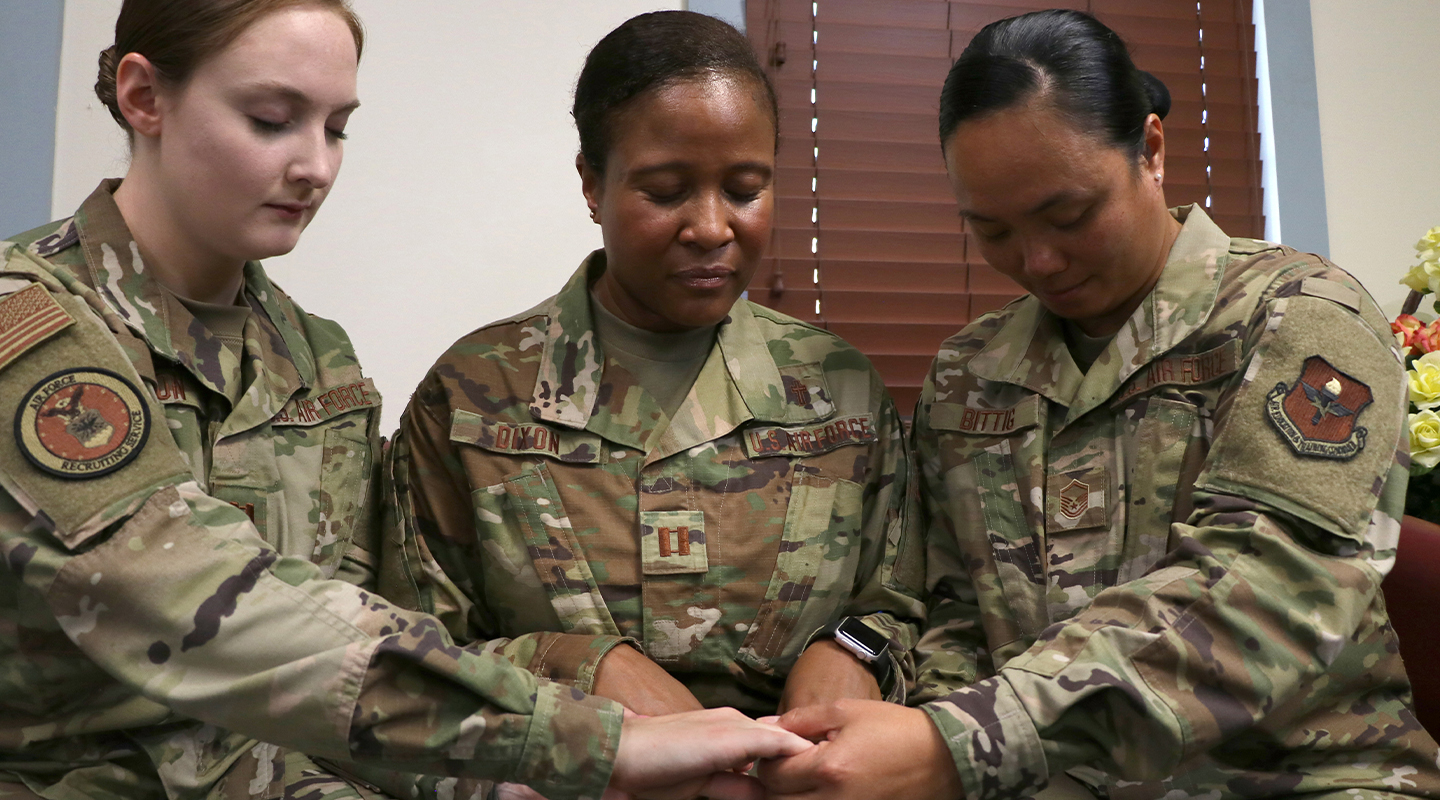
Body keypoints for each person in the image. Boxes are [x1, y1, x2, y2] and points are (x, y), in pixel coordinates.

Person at [0, 2, 811, 799]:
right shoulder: (27, 324)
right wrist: (591, 744)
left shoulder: (318, 361)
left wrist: (506, 785)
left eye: (337, 126)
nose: (315, 165)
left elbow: (366, 654)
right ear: (145, 99)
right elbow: (203, 609)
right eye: (273, 119)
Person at [759, 9, 1440, 800]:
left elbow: (1265, 593)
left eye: (1070, 215)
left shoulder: (1302, 319)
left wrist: (964, 741)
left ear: (1150, 151)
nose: (1038, 260)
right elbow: (956, 611)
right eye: (994, 230)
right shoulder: (970, 373)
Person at [382, 6, 922, 743]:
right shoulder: (472, 398)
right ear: (592, 184)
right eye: (666, 191)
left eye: (745, 187)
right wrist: (576, 664)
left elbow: (909, 602)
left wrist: (853, 650)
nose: (709, 226)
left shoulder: (839, 391)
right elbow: (405, 658)